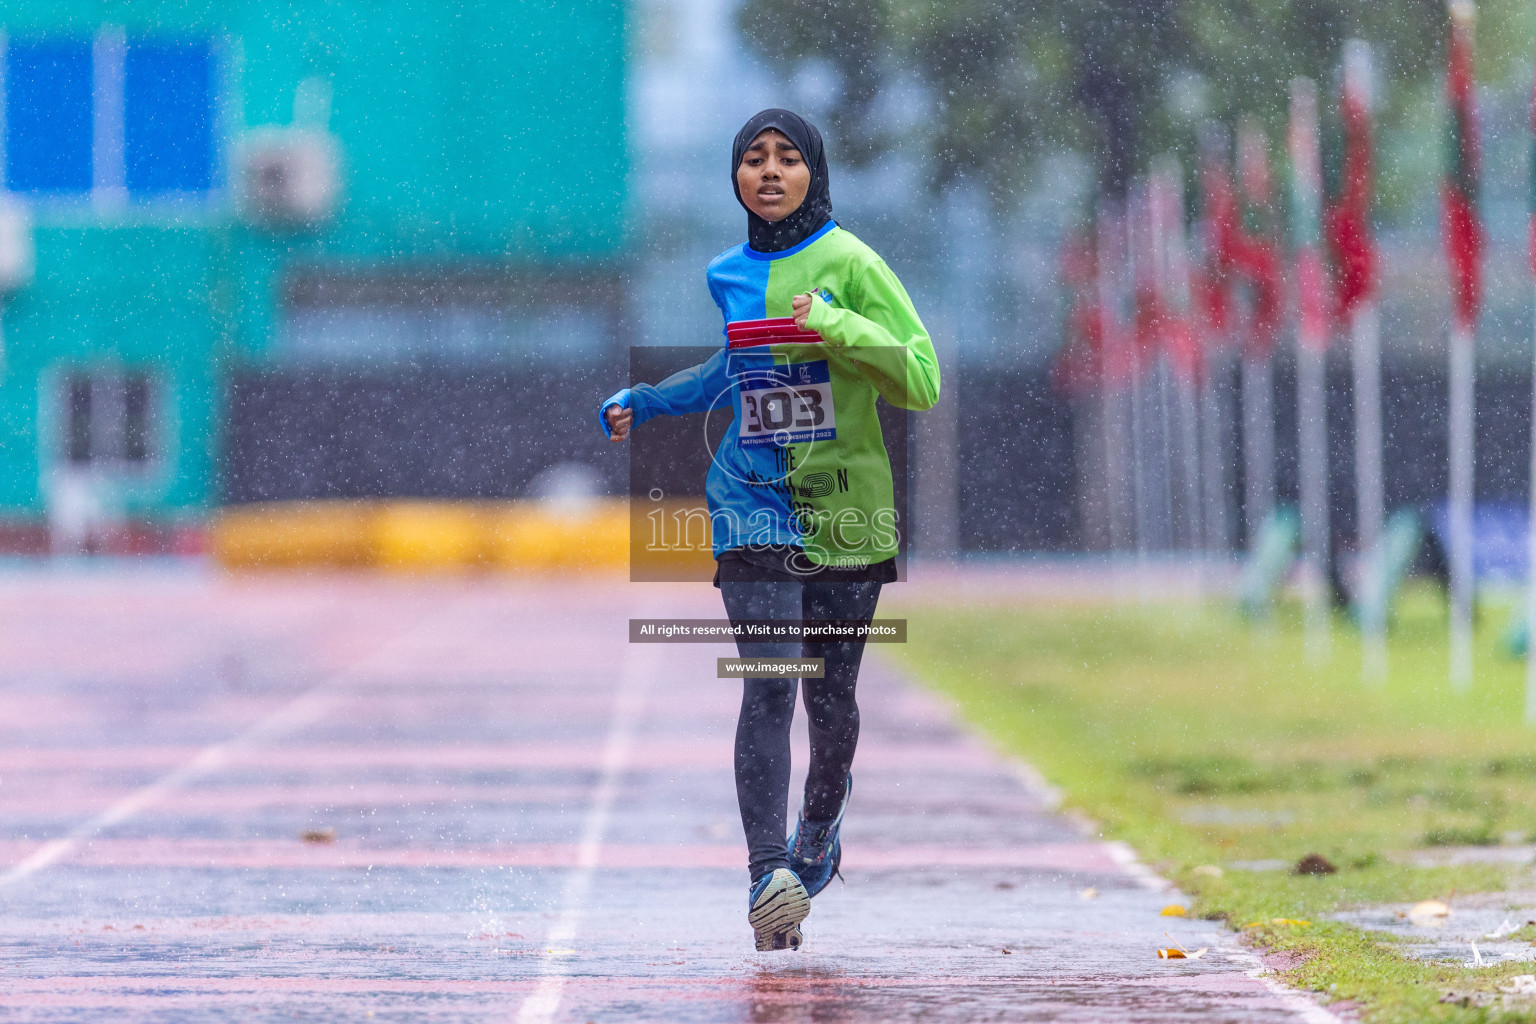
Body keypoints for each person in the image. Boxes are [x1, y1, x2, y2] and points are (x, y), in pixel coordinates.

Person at [598, 109, 939, 951]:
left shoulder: (853, 262)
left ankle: (817, 831)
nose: (772, 171)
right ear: (737, 178)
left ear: (813, 172)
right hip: (751, 504)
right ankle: (767, 875)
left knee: (831, 702)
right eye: (755, 158)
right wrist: (648, 401)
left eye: (789, 157)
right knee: (769, 683)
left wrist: (838, 325)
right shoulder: (727, 273)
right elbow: (732, 368)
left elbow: (921, 377)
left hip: (847, 509)